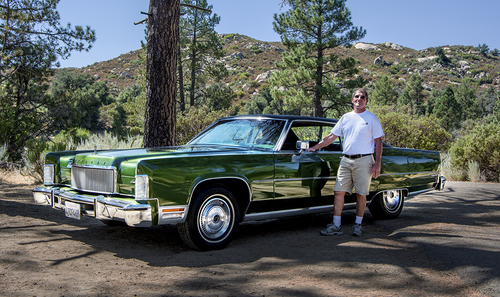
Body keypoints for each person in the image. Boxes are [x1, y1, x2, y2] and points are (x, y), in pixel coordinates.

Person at [307, 88, 384, 236]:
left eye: (362, 97)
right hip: (346, 160)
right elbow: (331, 136)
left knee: (361, 194)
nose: (359, 99)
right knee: (338, 191)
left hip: (364, 160)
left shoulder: (372, 118)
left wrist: (377, 163)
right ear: (352, 99)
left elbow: (378, 142)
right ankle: (336, 226)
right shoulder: (346, 118)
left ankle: (357, 225)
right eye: (356, 96)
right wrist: (315, 147)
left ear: (366, 100)